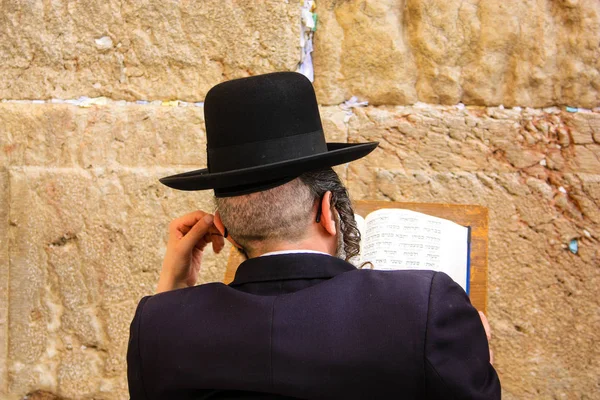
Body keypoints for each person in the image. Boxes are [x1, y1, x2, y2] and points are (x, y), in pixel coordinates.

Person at [127, 72, 501, 399]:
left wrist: (171, 293)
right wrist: (475, 359)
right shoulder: (426, 308)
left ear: (222, 227)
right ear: (328, 212)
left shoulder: (158, 328)